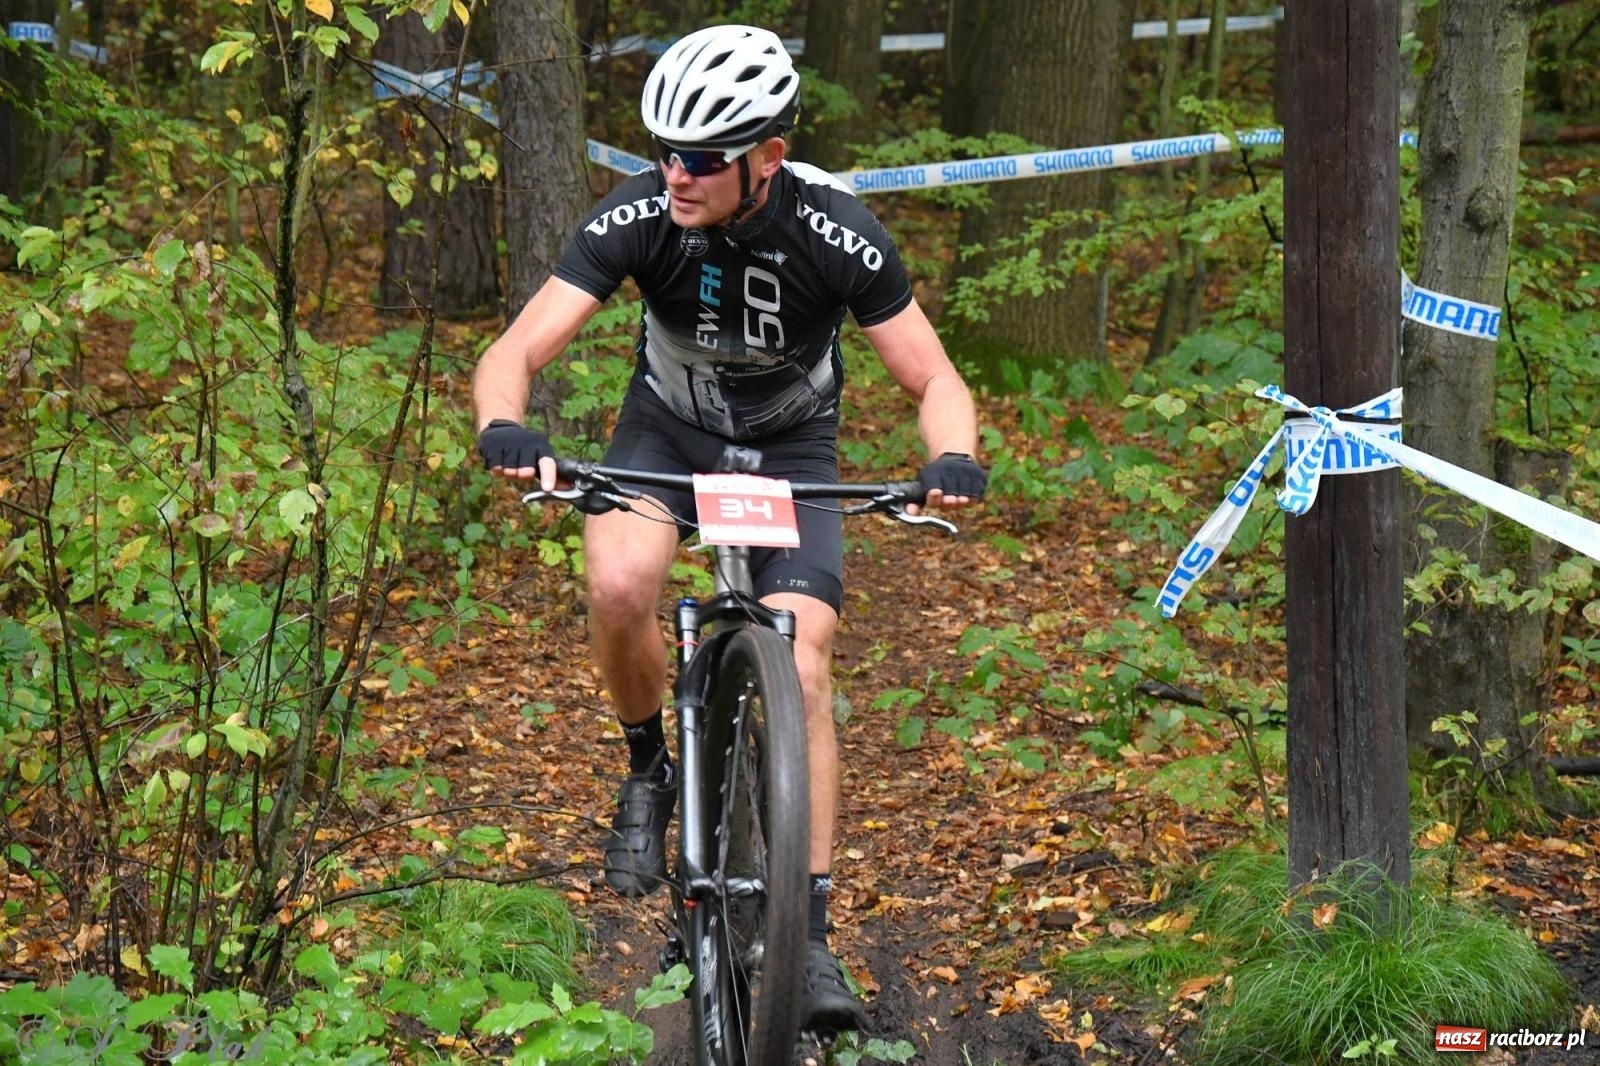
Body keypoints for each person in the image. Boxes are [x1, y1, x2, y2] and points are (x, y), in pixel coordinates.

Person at [472, 23, 987, 1033]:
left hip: (790, 451)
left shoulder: (833, 228)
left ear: (768, 158)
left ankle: (812, 935)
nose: (675, 173)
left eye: (702, 158)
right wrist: (504, 424)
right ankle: (645, 768)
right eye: (663, 149)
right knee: (621, 583)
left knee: (801, 664)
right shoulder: (639, 214)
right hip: (666, 436)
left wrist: (953, 456)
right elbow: (515, 350)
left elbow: (933, 376)